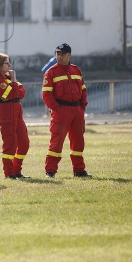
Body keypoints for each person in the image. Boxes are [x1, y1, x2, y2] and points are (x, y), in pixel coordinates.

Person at [41, 43, 91, 178]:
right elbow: (46, 94)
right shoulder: (51, 72)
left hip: (77, 111)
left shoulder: (76, 70)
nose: (59, 56)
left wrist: (82, 107)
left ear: (69, 55)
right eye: (57, 54)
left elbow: (83, 90)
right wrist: (57, 109)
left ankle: (79, 170)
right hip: (61, 111)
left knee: (78, 142)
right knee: (56, 142)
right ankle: (50, 171)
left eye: (62, 54)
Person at [0, 53, 30, 179]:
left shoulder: (8, 77)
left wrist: (14, 83)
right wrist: (14, 81)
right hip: (6, 111)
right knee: (10, 144)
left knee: (24, 143)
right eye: (7, 63)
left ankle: (17, 170)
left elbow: (22, 93)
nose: (10, 65)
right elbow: (11, 94)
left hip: (16, 111)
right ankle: (9, 173)